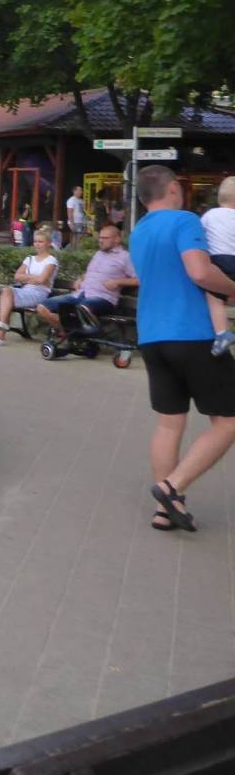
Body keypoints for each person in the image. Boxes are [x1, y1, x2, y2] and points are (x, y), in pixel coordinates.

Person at [128, 165, 235, 533]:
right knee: (229, 420)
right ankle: (171, 487)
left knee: (169, 423)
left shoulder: (139, 231)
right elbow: (200, 272)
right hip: (193, 334)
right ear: (173, 188)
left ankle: (166, 510)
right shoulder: (185, 221)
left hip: (152, 336)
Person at [33, 223, 137, 335]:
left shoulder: (125, 257)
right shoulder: (98, 254)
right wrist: (80, 278)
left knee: (82, 310)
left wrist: (118, 282)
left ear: (117, 239)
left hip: (102, 298)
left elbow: (139, 279)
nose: (101, 241)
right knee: (42, 308)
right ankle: (72, 333)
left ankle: (83, 334)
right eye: (100, 238)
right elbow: (91, 273)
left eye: (105, 238)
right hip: (80, 294)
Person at [0, 227, 58, 345]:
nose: (37, 244)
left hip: (39, 294)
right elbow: (17, 276)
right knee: (6, 291)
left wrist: (27, 278)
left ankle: (0, 336)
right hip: (25, 291)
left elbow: (42, 280)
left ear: (48, 243)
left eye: (40, 242)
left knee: (7, 299)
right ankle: (2, 325)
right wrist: (33, 279)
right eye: (35, 241)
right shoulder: (29, 259)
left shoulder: (51, 261)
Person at [200, 175, 235, 356]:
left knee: (214, 298)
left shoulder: (210, 215)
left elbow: (200, 235)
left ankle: (222, 333)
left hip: (219, 260)